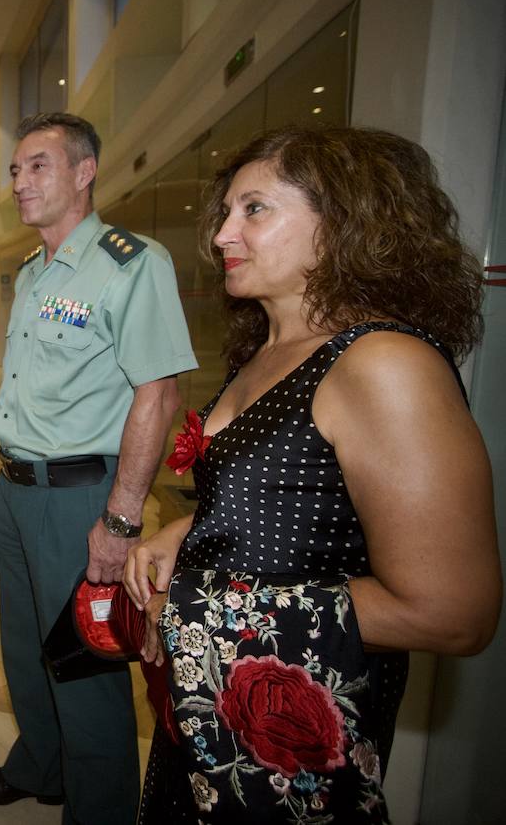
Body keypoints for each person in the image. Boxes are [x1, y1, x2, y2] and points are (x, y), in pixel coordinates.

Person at [124, 126, 500, 823]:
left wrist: (196, 607)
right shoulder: (268, 351)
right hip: (214, 715)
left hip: (286, 739)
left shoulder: (383, 364)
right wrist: (188, 529)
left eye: (255, 210)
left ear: (346, 221)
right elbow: (292, 501)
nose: (222, 236)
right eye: (226, 214)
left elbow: (453, 613)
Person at [0, 113, 196, 823]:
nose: (19, 183)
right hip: (16, 489)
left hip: (81, 497)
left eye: (37, 166)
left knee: (84, 662)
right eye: (14, 170)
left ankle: (98, 808)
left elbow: (157, 394)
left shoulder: (132, 262)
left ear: (84, 172)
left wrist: (121, 520)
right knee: (26, 648)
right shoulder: (35, 271)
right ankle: (43, 765)